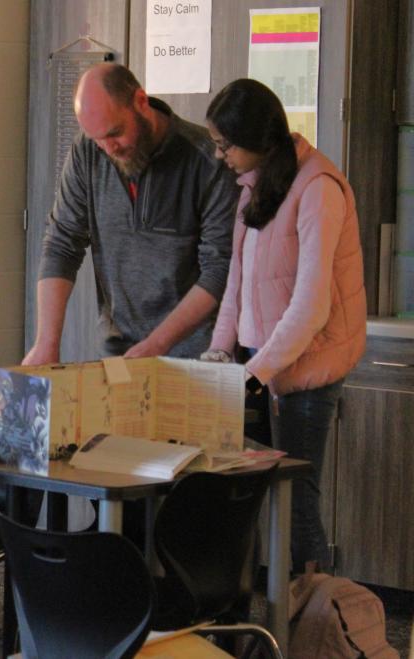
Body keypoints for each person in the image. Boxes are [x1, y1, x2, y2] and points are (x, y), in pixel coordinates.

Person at [203, 79, 366, 573]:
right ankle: (267, 624)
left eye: (225, 144)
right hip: (262, 365)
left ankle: (317, 629)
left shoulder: (319, 188)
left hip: (309, 366)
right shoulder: (253, 185)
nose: (219, 156)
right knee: (247, 503)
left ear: (258, 138)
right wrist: (218, 353)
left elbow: (312, 306)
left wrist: (254, 372)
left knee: (296, 506)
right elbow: (237, 280)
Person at [23, 63, 237, 365]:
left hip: (196, 358)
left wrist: (157, 344)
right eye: (97, 138)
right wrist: (46, 342)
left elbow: (219, 271)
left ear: (140, 102)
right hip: (119, 348)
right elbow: (61, 243)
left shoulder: (207, 162)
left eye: (115, 133)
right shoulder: (87, 152)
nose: (108, 148)